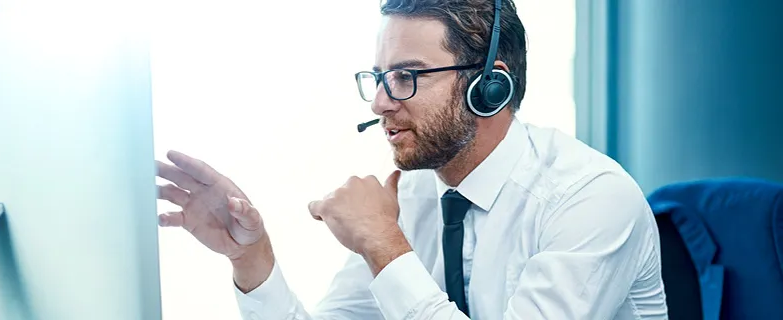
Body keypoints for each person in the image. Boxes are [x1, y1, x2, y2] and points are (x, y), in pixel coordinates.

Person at [155, 0, 668, 319]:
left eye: (407, 76)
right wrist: (252, 258)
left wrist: (384, 247)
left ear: (489, 87)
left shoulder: (591, 201)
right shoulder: (420, 192)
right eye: (378, 78)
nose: (379, 102)